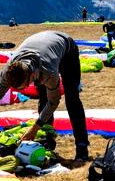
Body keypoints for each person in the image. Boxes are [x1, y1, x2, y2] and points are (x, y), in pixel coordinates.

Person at [0, 31, 89, 160]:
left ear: (31, 75)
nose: (25, 89)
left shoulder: (48, 72)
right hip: (40, 45)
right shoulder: (8, 72)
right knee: (43, 99)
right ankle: (47, 142)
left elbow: (53, 102)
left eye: (25, 85)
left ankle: (82, 148)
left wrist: (35, 128)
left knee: (72, 99)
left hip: (66, 50)